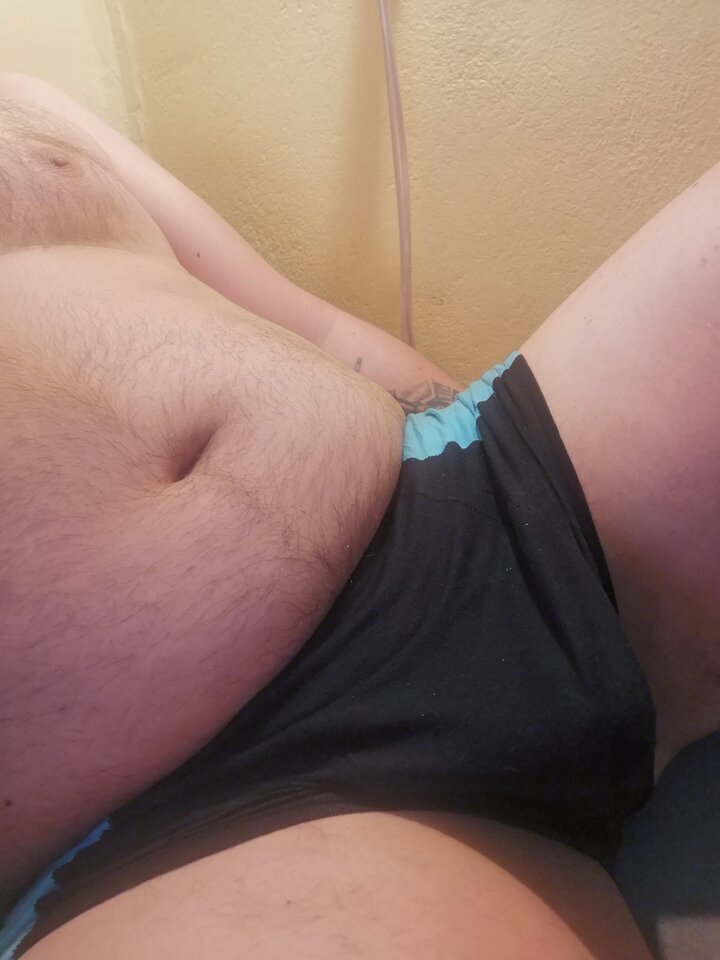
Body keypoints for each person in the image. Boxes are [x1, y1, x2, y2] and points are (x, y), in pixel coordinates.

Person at [1, 72, 718, 959]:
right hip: (180, 813)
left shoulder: (22, 100)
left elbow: (319, 331)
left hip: (484, 487)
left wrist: (506, 511)